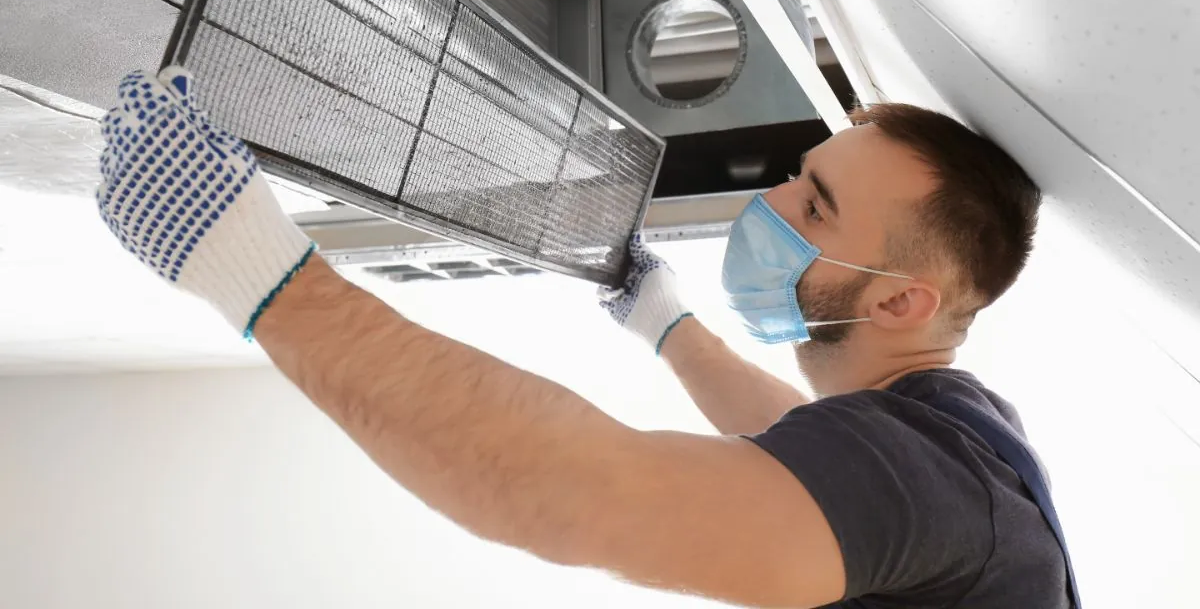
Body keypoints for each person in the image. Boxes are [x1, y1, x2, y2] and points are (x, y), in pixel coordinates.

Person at [96, 66, 1075, 608]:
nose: (771, 200)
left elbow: (575, 489)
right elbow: (797, 449)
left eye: (813, 205)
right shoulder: (956, 439)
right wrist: (664, 321)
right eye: (796, 173)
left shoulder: (944, 474)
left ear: (900, 302)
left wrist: (264, 277)